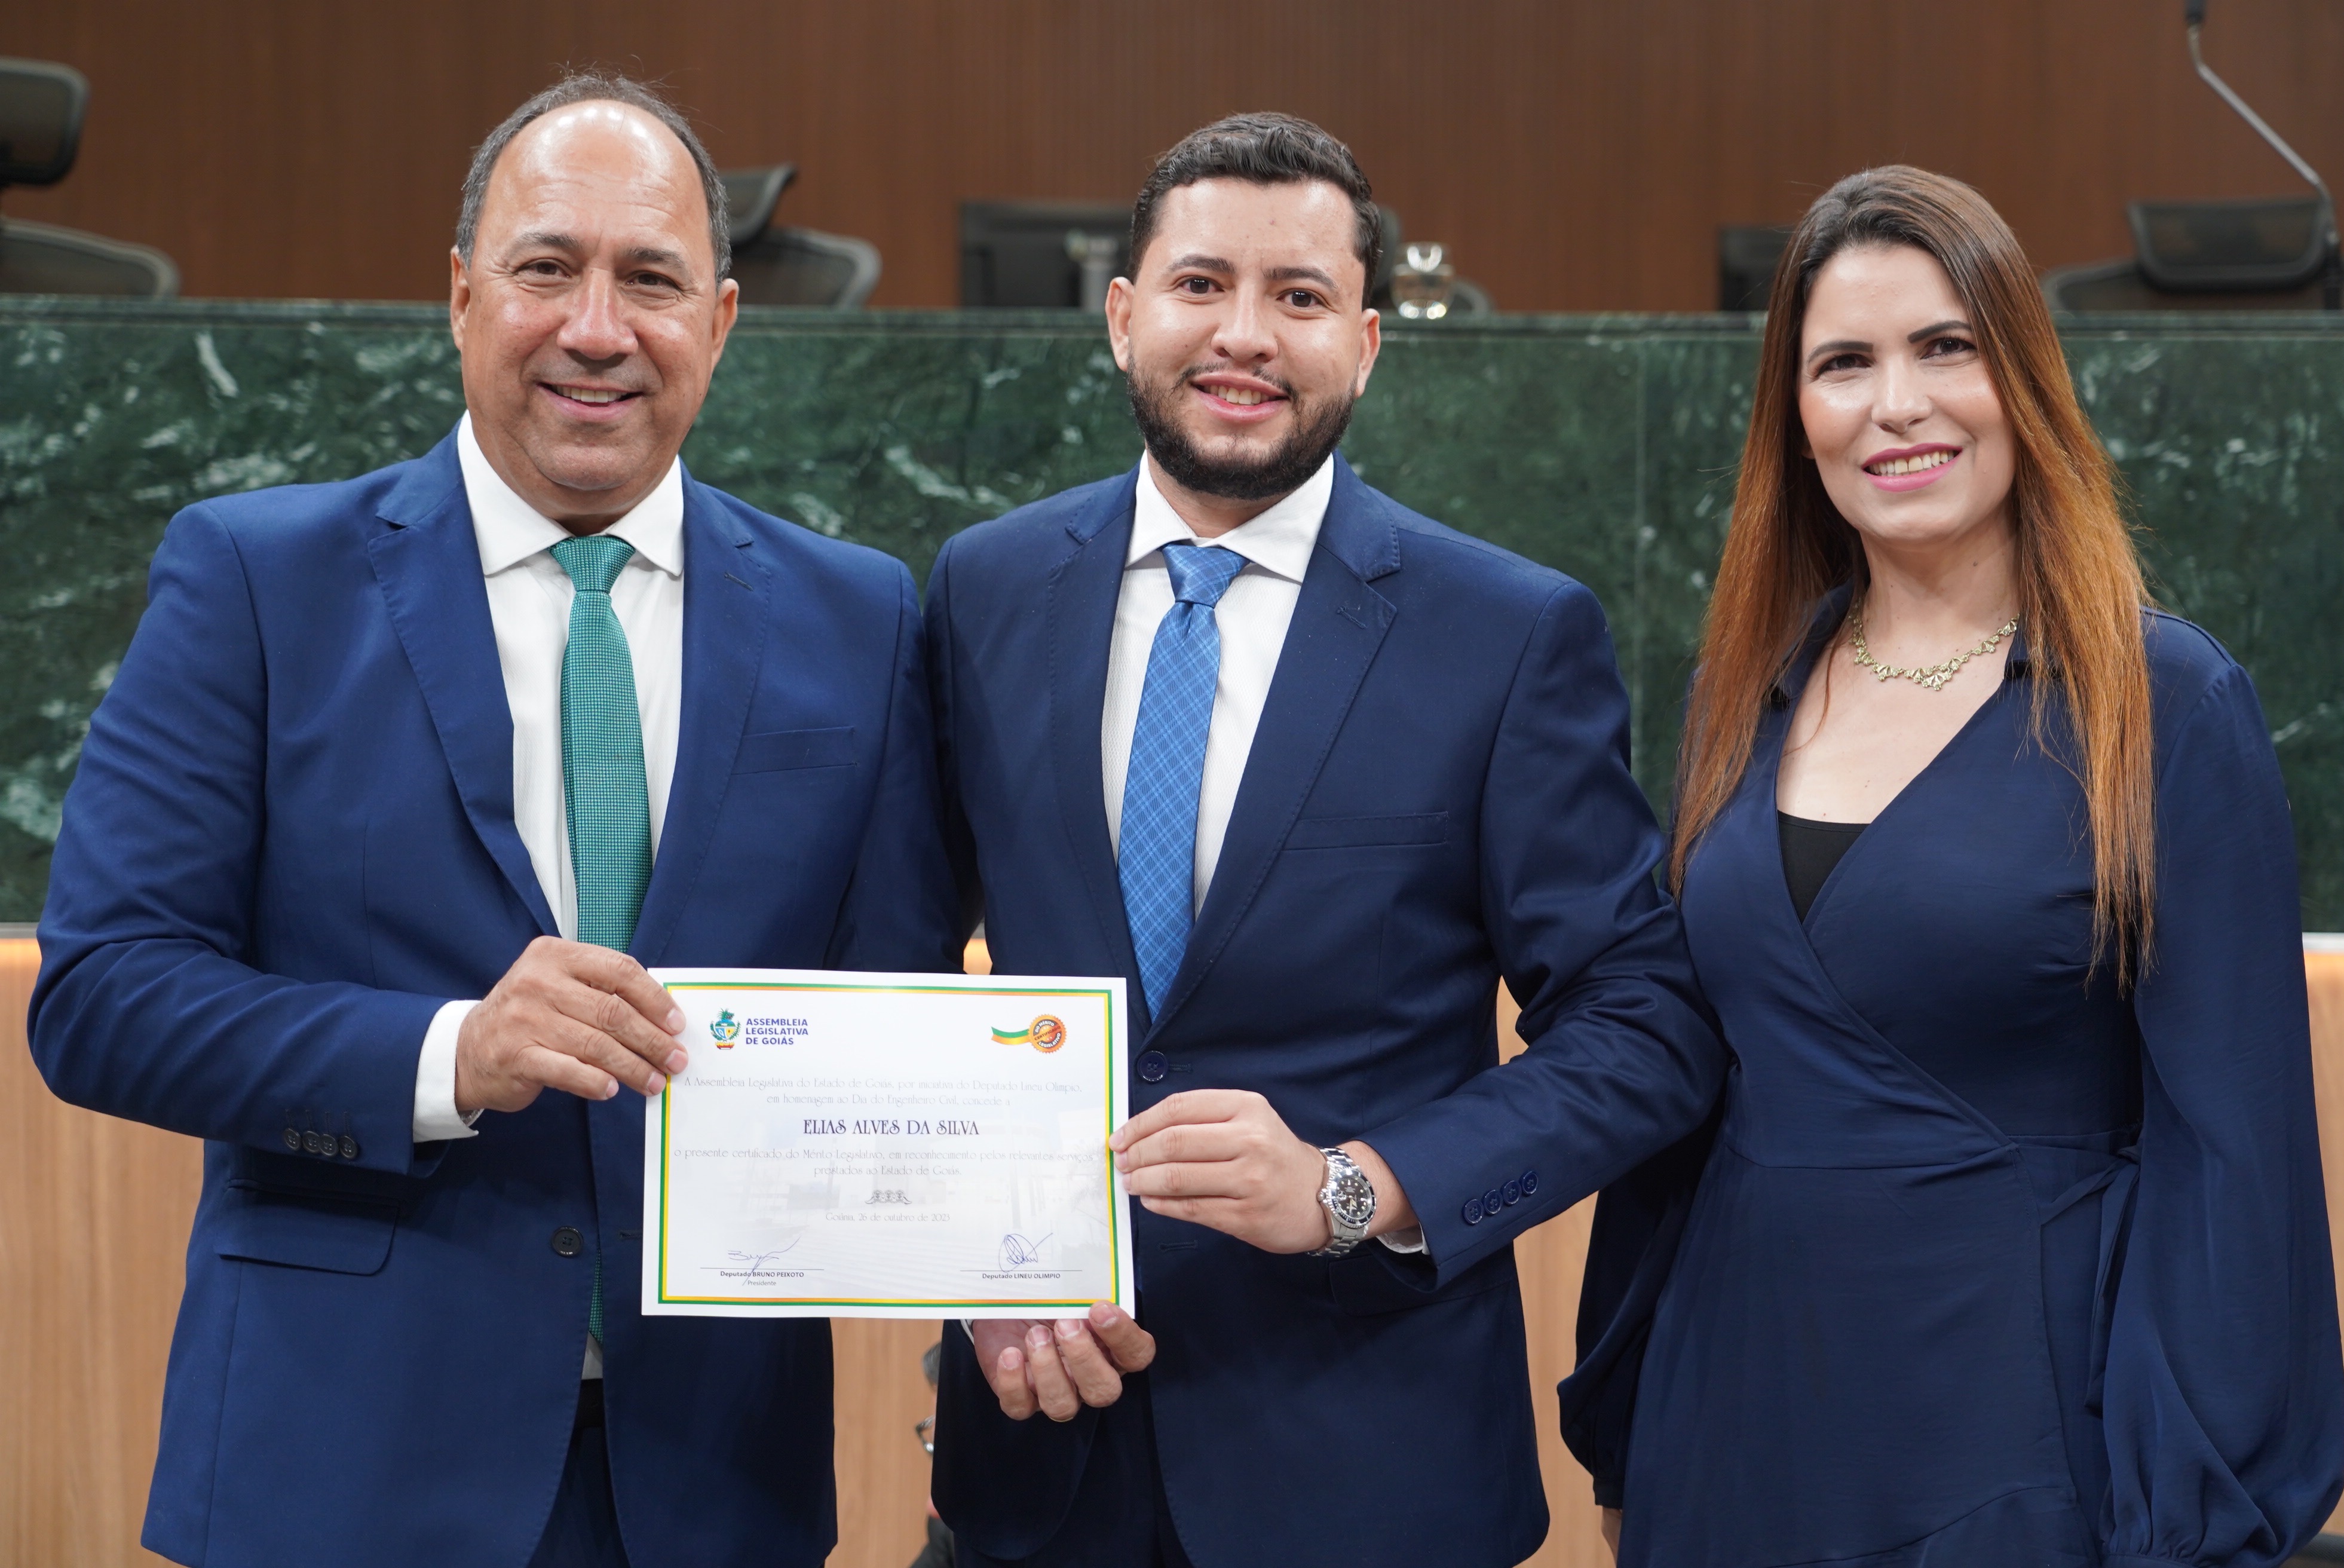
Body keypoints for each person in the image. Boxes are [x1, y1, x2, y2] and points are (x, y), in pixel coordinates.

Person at [29, 74, 958, 1568]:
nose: (597, 327)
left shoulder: (859, 617)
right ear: (461, 297)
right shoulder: (255, 582)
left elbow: (893, 1017)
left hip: (710, 1485)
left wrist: (1009, 1281)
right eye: (546, 268)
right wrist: (449, 1055)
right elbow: (103, 997)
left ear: (721, 321)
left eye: (650, 278)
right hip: (344, 1468)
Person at [923, 112, 1724, 1568]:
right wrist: (969, 1267)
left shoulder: (1506, 634)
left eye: (1297, 296)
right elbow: (898, 976)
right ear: (1123, 317)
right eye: (1201, 284)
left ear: (1365, 345)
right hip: (1041, 1450)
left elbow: (1645, 1020)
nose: (1244, 334)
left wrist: (1356, 1185)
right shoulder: (982, 591)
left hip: (1369, 1463)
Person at [1562, 165, 2344, 1567]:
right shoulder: (1740, 691)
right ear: (1795, 416)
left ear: (2023, 378)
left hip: (2017, 1435)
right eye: (1843, 364)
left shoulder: (2166, 702)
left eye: (1945, 347)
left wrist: (2201, 1513)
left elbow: (2234, 1160)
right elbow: (1683, 1093)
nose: (1898, 404)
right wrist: (1625, 1421)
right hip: (1729, 1414)